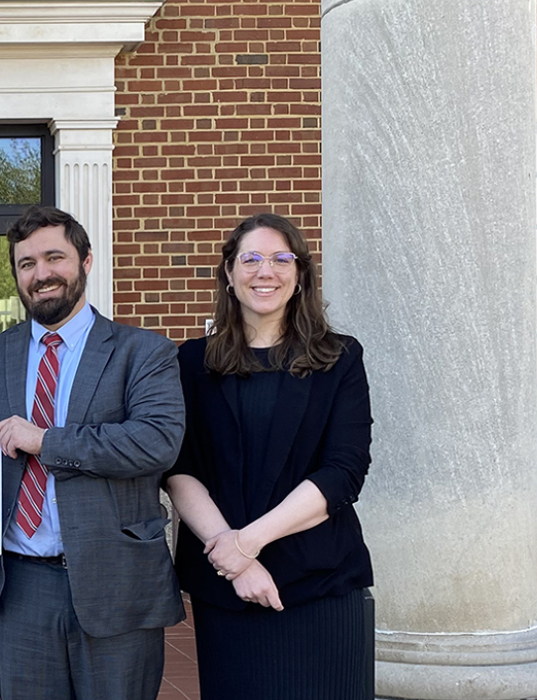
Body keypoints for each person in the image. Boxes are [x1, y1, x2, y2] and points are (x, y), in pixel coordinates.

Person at [0, 205, 186, 700]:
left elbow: (157, 442)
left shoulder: (142, 352)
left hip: (117, 580)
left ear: (85, 260)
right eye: (26, 264)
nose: (41, 274)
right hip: (19, 586)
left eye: (54, 257)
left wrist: (46, 441)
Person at [163, 213, 373, 699]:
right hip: (228, 591)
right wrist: (235, 560)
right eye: (251, 259)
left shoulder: (340, 358)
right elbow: (180, 468)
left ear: (300, 276)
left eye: (282, 259)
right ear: (229, 274)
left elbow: (344, 471)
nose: (266, 272)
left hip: (321, 580)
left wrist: (247, 544)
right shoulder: (192, 363)